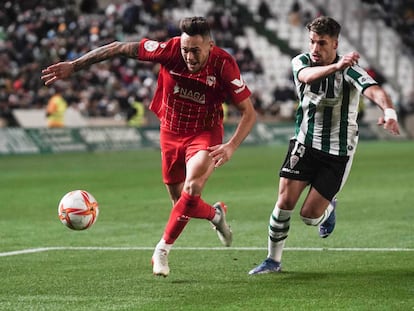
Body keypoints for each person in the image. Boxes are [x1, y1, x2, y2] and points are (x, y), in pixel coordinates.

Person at [41, 16, 257, 277]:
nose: (188, 56)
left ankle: (162, 250)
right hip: (170, 131)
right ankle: (215, 215)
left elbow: (249, 113)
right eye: (185, 49)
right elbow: (119, 47)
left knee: (192, 188)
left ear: (210, 45)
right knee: (181, 202)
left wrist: (231, 146)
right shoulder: (169, 51)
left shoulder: (224, 64)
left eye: (195, 50)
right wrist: (75, 66)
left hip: (205, 133)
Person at [248, 16, 400, 275]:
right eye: (312, 42)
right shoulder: (302, 61)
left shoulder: (350, 70)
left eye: (322, 43)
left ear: (335, 43)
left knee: (309, 216)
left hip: (337, 153)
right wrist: (336, 66)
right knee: (284, 201)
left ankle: (329, 209)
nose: (315, 49)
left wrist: (389, 111)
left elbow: (374, 90)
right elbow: (306, 77)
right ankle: (273, 260)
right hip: (304, 143)